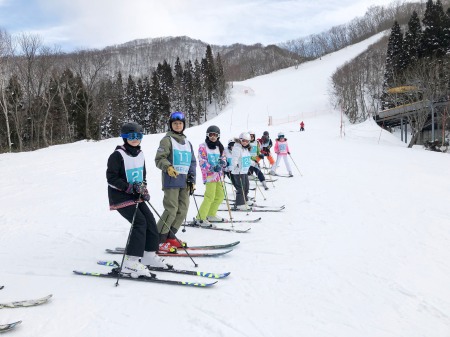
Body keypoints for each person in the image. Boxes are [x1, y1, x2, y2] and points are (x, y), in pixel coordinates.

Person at [106, 122, 167, 277]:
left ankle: (148, 254)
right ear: (124, 137)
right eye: (131, 137)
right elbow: (111, 178)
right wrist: (129, 187)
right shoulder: (117, 155)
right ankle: (130, 262)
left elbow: (142, 176)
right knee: (139, 222)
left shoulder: (140, 154)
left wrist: (143, 189)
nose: (135, 140)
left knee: (150, 220)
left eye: (138, 136)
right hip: (120, 197)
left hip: (136, 195)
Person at [155, 111, 197, 251]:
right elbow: (160, 159)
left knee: (183, 210)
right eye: (175, 123)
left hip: (184, 182)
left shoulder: (187, 143)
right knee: (171, 210)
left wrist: (192, 179)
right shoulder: (167, 140)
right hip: (171, 180)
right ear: (171, 125)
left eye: (180, 123)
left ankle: (170, 237)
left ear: (183, 125)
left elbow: (192, 162)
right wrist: (168, 167)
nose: (178, 125)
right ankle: (158, 239)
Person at [196, 125, 228, 225]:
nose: (213, 137)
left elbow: (223, 158)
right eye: (211, 135)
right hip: (209, 176)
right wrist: (212, 168)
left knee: (220, 195)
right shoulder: (203, 147)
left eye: (215, 135)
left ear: (218, 136)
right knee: (210, 196)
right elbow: (202, 161)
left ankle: (211, 214)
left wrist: (223, 163)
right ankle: (200, 218)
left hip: (218, 175)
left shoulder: (220, 146)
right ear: (207, 135)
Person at [231, 132, 253, 210]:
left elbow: (247, 159)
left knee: (246, 186)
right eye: (243, 140)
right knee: (241, 187)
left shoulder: (246, 148)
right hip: (238, 171)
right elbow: (234, 158)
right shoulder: (237, 148)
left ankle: (245, 199)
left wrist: (254, 163)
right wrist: (235, 164)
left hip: (244, 170)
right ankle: (240, 204)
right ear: (240, 140)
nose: (245, 142)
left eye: (247, 141)